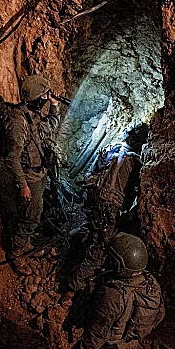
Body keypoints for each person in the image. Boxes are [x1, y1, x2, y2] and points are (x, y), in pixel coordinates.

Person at [67, 123, 149, 292]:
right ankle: (71, 290)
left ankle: (69, 252)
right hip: (107, 206)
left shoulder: (111, 148)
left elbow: (92, 172)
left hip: (92, 198)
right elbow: (131, 195)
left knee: (89, 228)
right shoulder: (135, 163)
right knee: (99, 250)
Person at [3, 75, 63, 275]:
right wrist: (23, 185)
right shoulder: (19, 121)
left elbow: (51, 127)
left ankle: (24, 241)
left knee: (34, 213)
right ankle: (16, 250)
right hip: (29, 177)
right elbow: (12, 157)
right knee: (30, 217)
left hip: (39, 174)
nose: (46, 99)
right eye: (44, 96)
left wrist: (54, 105)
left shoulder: (33, 115)